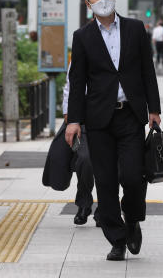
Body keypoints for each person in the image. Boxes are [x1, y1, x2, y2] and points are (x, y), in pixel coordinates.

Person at [65, 0, 162, 261]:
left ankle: (131, 218)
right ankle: (116, 239)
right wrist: (74, 120)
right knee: (105, 181)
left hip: (131, 115)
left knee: (133, 176)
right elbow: (77, 79)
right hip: (98, 120)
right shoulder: (82, 37)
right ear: (88, 4)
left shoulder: (135, 28)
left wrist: (153, 109)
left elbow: (147, 70)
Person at [61, 72, 95, 226]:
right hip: (83, 118)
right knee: (84, 159)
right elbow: (71, 83)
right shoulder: (83, 47)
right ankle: (84, 203)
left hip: (113, 114)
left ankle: (105, 209)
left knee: (111, 163)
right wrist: (69, 114)